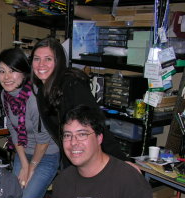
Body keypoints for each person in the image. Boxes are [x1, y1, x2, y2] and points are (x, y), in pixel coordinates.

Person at [30, 37, 129, 168]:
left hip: (89, 158)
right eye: (37, 59)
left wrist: (122, 163)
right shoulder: (43, 91)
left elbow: (97, 124)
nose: (41, 64)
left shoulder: (71, 85)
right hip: (71, 156)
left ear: (58, 62)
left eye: (48, 59)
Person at [0, 48, 59, 198]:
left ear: (24, 73)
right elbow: (13, 129)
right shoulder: (5, 95)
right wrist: (24, 164)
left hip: (46, 155)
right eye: (2, 71)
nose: (6, 77)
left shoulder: (34, 98)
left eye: (12, 71)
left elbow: (43, 140)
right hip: (24, 152)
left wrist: (31, 168)